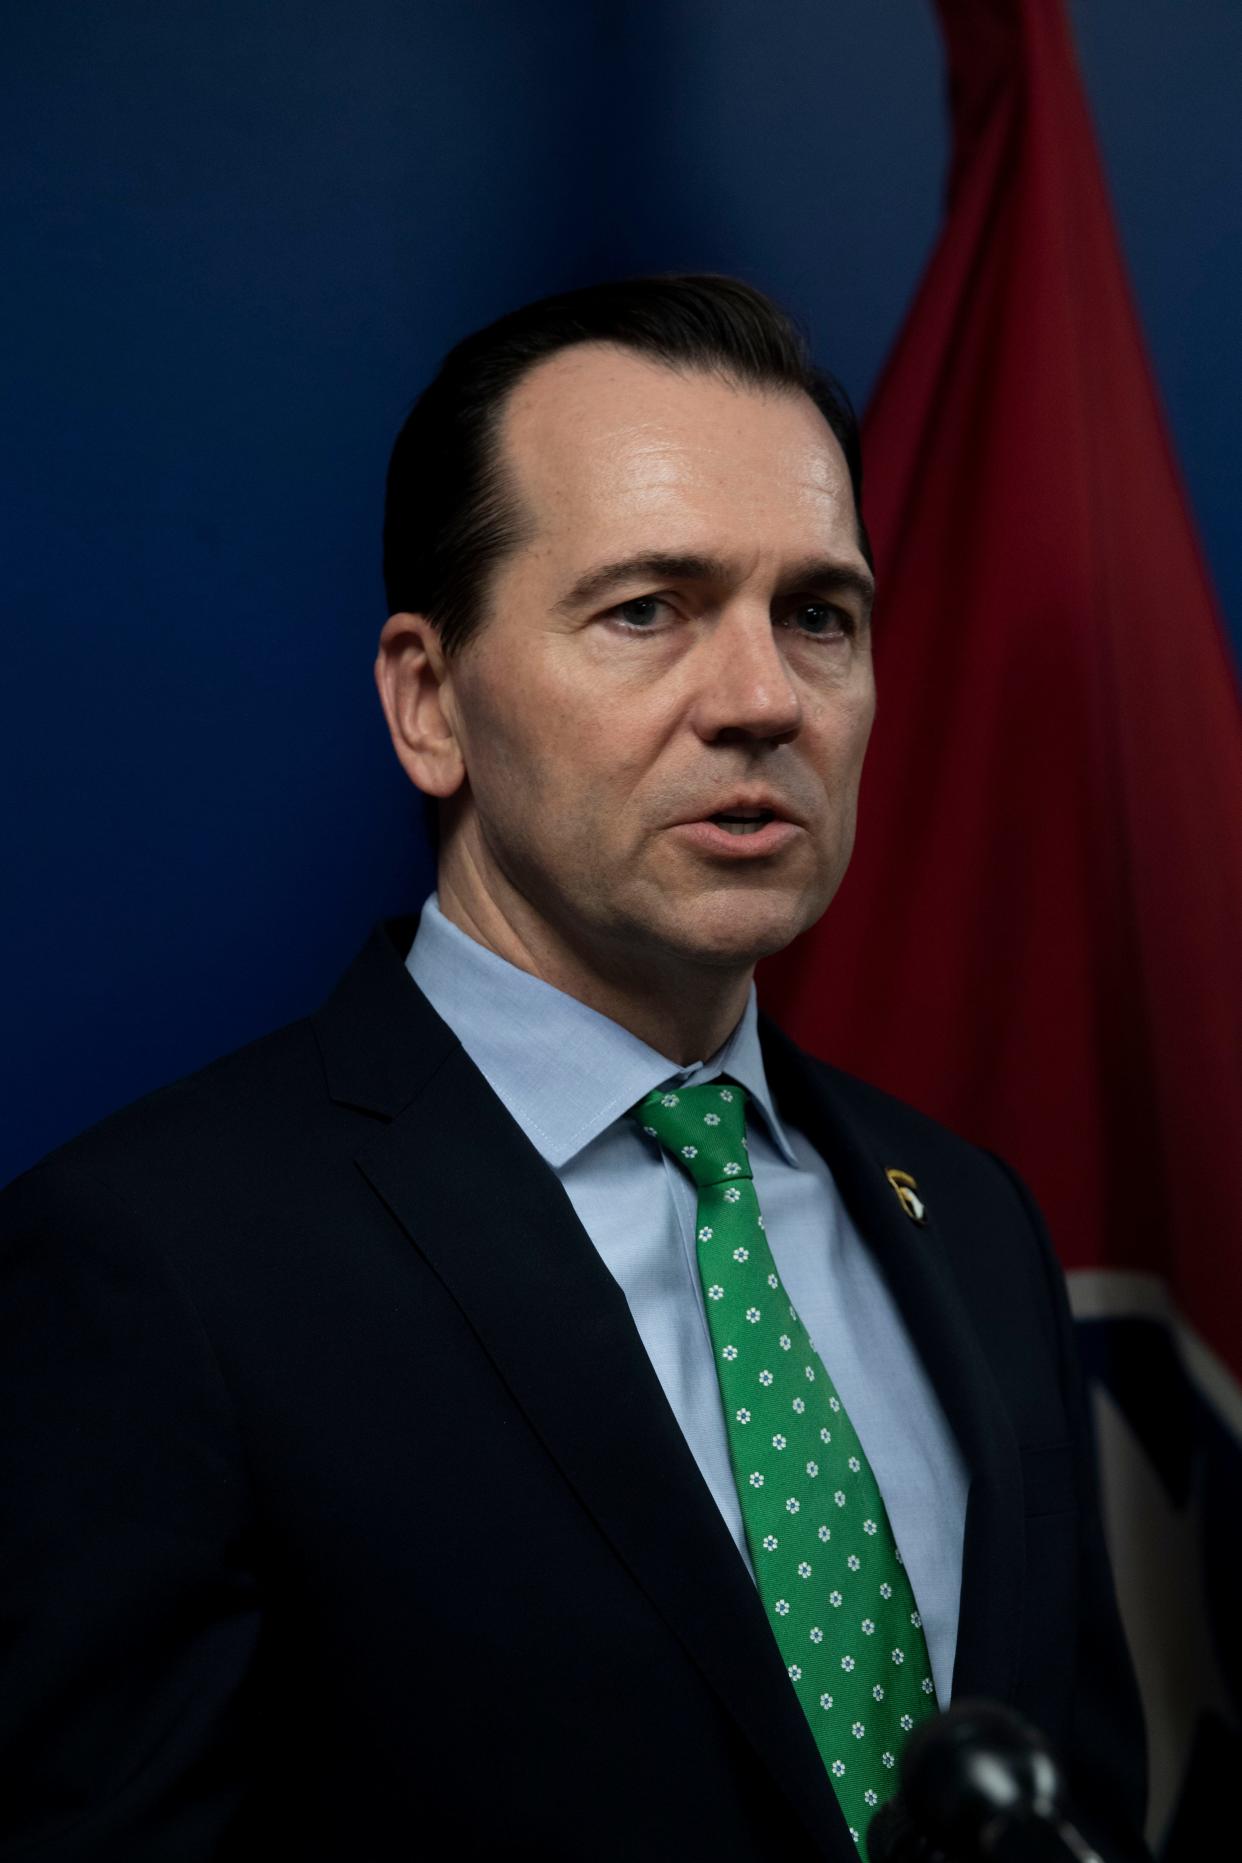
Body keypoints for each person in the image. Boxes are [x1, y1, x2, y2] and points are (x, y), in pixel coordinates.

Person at [0, 277, 1147, 1862]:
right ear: (429, 702)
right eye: (647, 610)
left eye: (818, 615)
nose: (759, 701)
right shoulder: (152, 1267)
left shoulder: (969, 1216)